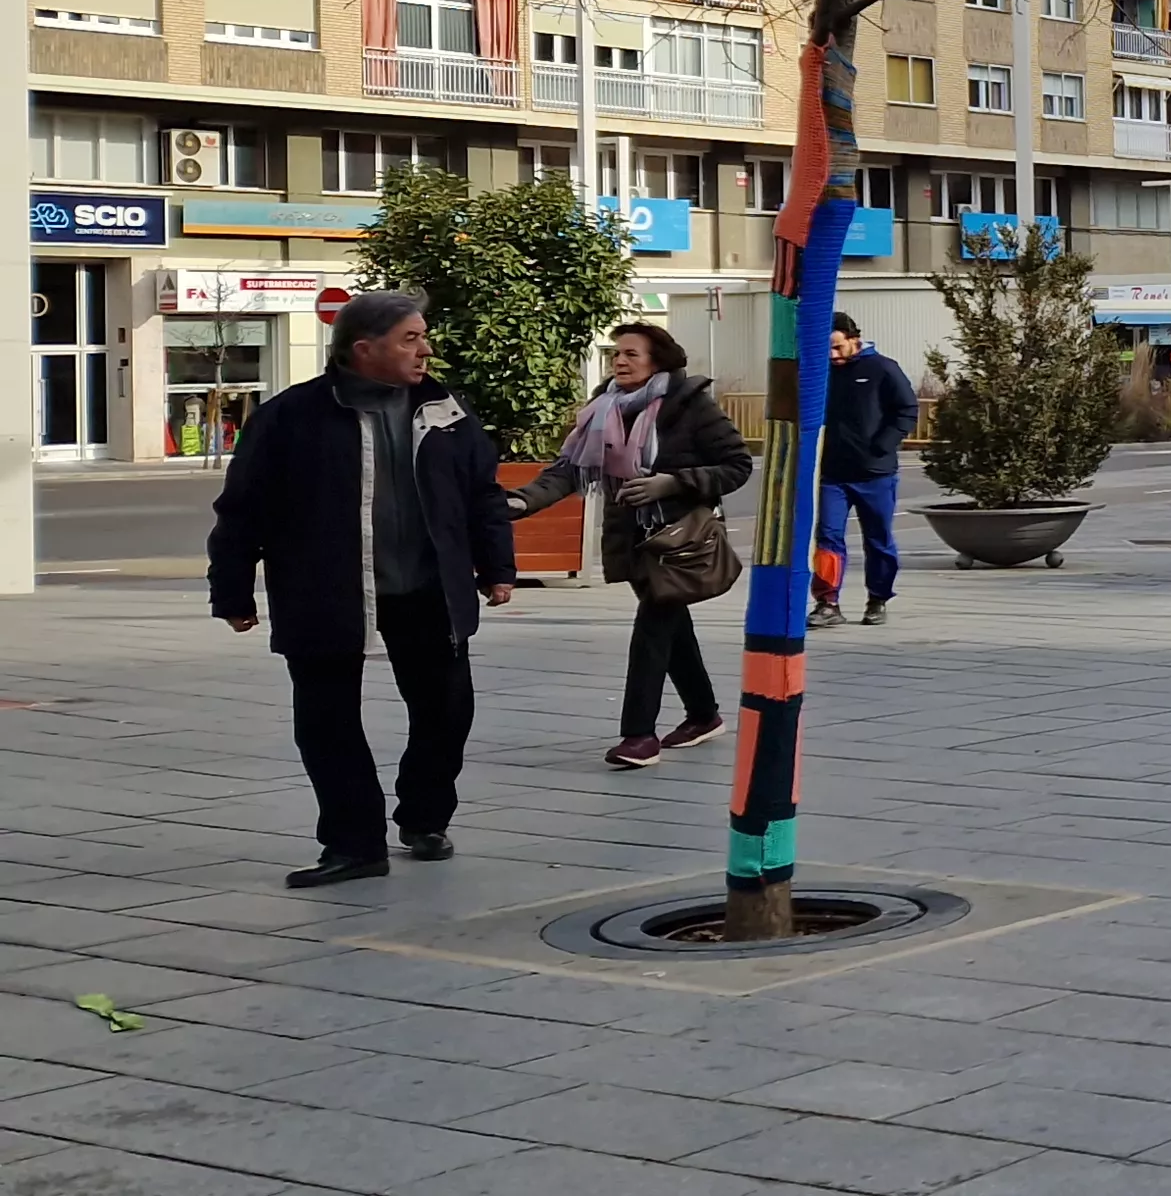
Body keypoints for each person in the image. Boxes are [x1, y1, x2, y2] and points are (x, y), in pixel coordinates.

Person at [207, 292, 515, 889]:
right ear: (364, 349)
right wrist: (233, 591)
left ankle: (424, 817)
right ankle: (353, 844)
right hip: (326, 592)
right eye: (410, 339)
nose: (425, 350)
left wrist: (496, 566)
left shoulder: (444, 410)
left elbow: (481, 492)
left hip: (427, 590)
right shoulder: (292, 416)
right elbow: (243, 509)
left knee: (447, 711)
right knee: (327, 720)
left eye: (423, 336)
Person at [504, 323, 753, 769]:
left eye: (631, 354)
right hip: (632, 538)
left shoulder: (690, 405)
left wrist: (672, 482)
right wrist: (523, 501)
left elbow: (736, 465)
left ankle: (639, 736)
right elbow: (569, 469)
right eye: (617, 354)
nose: (619, 361)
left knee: (652, 630)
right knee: (672, 627)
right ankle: (703, 715)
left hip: (677, 540)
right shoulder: (603, 407)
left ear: (658, 361)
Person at [814, 313, 917, 629]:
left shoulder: (883, 368)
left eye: (837, 347)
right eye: (826, 348)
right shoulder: (822, 372)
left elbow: (907, 409)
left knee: (878, 539)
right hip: (833, 475)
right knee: (828, 538)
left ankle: (878, 599)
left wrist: (883, 445)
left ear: (853, 339)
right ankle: (827, 603)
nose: (832, 355)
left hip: (876, 474)